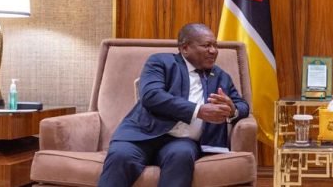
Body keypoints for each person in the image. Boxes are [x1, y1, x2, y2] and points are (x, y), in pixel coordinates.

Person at [97, 23, 249, 187]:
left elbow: (243, 106)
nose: (213, 51)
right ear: (185, 48)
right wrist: (197, 111)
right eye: (206, 46)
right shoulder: (161, 62)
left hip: (181, 142)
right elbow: (151, 95)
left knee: (181, 155)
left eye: (215, 45)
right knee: (120, 156)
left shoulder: (220, 76)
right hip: (141, 135)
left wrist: (232, 110)